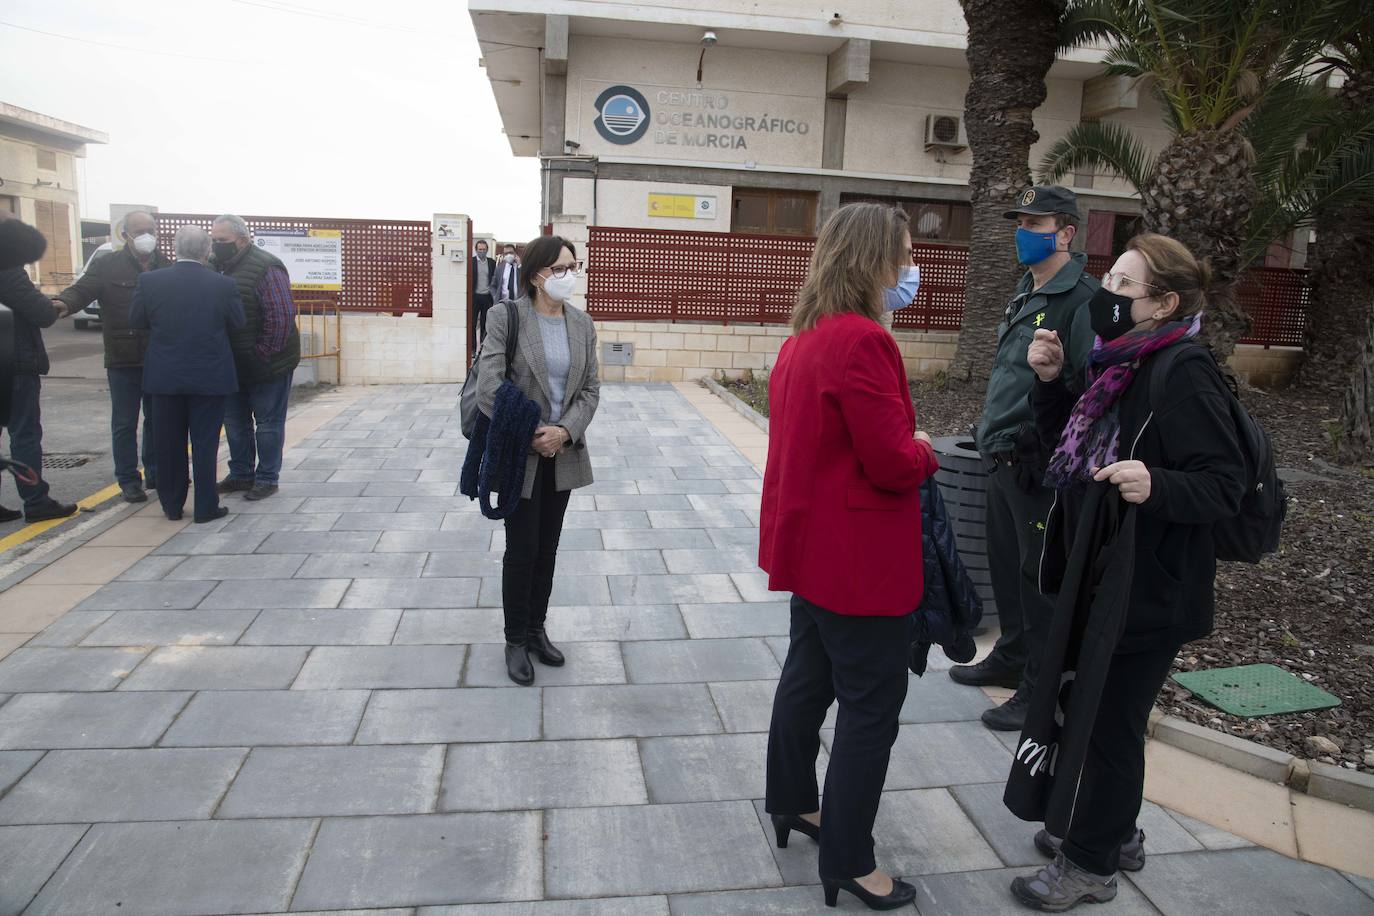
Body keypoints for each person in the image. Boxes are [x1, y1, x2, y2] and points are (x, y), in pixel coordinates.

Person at [1009, 233, 1244, 910]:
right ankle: (1118, 833)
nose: (1106, 295)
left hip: (1151, 588)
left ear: (1164, 303)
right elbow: (1069, 452)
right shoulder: (1121, 362)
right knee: (1099, 711)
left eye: (1122, 286)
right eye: (1108, 279)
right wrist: (1053, 383)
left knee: (1112, 723)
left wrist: (1158, 484)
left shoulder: (1184, 371)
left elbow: (1223, 484)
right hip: (1105, 573)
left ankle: (1092, 863)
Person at [759, 202, 939, 911]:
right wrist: (925, 450)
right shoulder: (865, 341)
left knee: (807, 680)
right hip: (859, 561)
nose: (911, 269)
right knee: (871, 708)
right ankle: (851, 860)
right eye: (905, 254)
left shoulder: (804, 338)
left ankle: (795, 802)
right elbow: (893, 462)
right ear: (874, 261)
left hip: (813, 551)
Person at [950, 185, 1099, 732]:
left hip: (1040, 466)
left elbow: (1087, 389)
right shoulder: (1028, 288)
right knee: (1009, 568)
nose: (1024, 233)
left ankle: (1039, 688)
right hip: (1002, 455)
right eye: (1021, 223)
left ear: (1066, 233)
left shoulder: (1080, 299)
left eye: (1036, 225)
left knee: (1041, 581)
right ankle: (1011, 657)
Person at [475, 235, 599, 686]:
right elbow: (490, 385)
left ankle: (536, 629)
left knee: (548, 549)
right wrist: (533, 433)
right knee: (522, 549)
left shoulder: (583, 325)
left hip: (562, 454)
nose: (571, 276)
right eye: (561, 269)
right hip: (521, 452)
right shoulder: (505, 317)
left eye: (574, 266)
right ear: (536, 276)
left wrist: (564, 432)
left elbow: (590, 390)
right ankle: (514, 640)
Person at [130, 226, 245, 523]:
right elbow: (238, 322)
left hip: (164, 376)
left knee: (168, 443)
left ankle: (172, 505)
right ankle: (206, 507)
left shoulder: (150, 281)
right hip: (210, 375)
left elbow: (136, 320)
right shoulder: (223, 285)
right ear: (207, 251)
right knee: (206, 443)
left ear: (174, 247)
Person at [55, 210, 170, 503]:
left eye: (150, 230)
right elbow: (81, 290)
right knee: (124, 422)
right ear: (125, 235)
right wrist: (63, 303)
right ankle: (129, 480)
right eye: (139, 230)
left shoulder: (163, 265)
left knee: (157, 419)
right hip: (123, 357)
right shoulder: (108, 265)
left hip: (158, 357)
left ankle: (156, 471)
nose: (147, 236)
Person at [209, 214, 300, 502]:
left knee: (268, 424)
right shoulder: (213, 268)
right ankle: (241, 474)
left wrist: (261, 355)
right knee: (235, 423)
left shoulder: (266, 267)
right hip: (230, 364)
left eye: (223, 240)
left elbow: (281, 317)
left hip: (267, 363)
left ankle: (267, 477)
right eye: (214, 240)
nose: (217, 245)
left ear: (243, 239)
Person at [0, 211, 78, 524]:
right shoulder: (8, 267)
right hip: (13, 362)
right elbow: (41, 312)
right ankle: (35, 501)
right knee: (25, 434)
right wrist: (52, 306)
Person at [471, 238, 497, 352]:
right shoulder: (471, 262)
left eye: (484, 249)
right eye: (480, 249)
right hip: (475, 297)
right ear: (476, 250)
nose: (482, 251)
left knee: (485, 323)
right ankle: (472, 349)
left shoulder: (492, 262)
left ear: (487, 250)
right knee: (472, 323)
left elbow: (495, 279)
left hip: (487, 297)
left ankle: (483, 347)